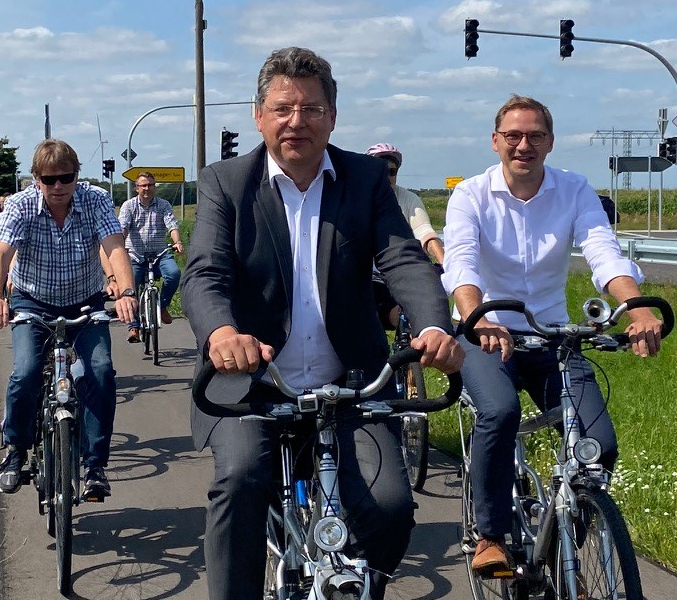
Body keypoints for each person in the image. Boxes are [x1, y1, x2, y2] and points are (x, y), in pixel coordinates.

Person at [180, 46, 464, 600]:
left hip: (350, 382)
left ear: (332, 117)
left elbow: (403, 259)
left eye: (311, 109)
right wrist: (220, 333)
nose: (297, 122)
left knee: (390, 507)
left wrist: (433, 325)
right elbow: (204, 271)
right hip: (252, 386)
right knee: (239, 482)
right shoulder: (225, 183)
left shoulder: (362, 178)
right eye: (283, 108)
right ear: (259, 116)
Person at [441, 94, 664, 576]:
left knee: (598, 443)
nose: (524, 145)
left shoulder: (574, 190)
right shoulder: (471, 194)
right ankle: (491, 534)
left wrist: (637, 308)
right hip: (486, 334)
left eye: (535, 136)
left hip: (551, 338)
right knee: (499, 412)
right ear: (496, 141)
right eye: (514, 136)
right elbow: (460, 260)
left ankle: (566, 536)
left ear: (550, 142)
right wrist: (475, 316)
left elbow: (603, 251)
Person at [0, 138, 137, 499]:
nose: (58, 187)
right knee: (25, 372)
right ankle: (15, 451)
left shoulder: (95, 200)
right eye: (49, 179)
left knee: (100, 372)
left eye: (65, 178)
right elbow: (1, 254)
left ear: (76, 176)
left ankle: (95, 465)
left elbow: (115, 248)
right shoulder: (21, 206)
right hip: (32, 300)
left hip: (84, 302)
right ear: (36, 178)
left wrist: (127, 292)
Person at [366, 142, 446, 327]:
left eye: (392, 172)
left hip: (396, 274)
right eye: (380, 170)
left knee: (411, 317)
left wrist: (445, 263)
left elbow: (425, 233)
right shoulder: (356, 197)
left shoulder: (408, 198)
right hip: (365, 276)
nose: (386, 177)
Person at [116, 171, 184, 343]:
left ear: (155, 187)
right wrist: (120, 246)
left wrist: (177, 242)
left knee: (174, 273)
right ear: (137, 188)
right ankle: (133, 326)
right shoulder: (129, 206)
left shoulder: (163, 205)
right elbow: (123, 227)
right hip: (136, 255)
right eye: (143, 185)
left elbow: (172, 224)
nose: (147, 188)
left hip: (160, 254)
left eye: (150, 185)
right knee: (131, 285)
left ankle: (163, 306)